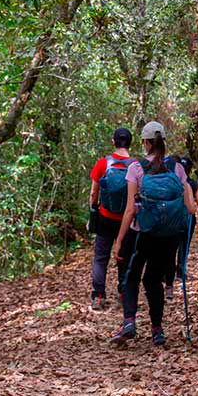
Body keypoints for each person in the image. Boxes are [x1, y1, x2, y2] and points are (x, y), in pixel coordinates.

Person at [111, 121, 197, 346]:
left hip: (142, 233)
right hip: (167, 236)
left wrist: (119, 241)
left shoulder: (136, 168)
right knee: (153, 280)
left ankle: (129, 322)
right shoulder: (177, 168)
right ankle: (157, 330)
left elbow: (130, 210)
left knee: (131, 277)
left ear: (146, 142)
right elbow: (190, 208)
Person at [88, 128, 134, 310]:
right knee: (124, 255)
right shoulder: (136, 166)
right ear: (130, 143)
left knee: (101, 257)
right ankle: (123, 292)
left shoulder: (102, 163)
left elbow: (94, 192)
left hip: (105, 217)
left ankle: (98, 296)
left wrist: (93, 212)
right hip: (127, 219)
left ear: (113, 142)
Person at [164, 156, 198, 300]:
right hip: (187, 220)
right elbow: (197, 207)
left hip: (172, 219)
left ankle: (167, 275)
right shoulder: (192, 184)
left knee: (170, 248)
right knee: (184, 246)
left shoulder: (170, 181)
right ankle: (180, 272)